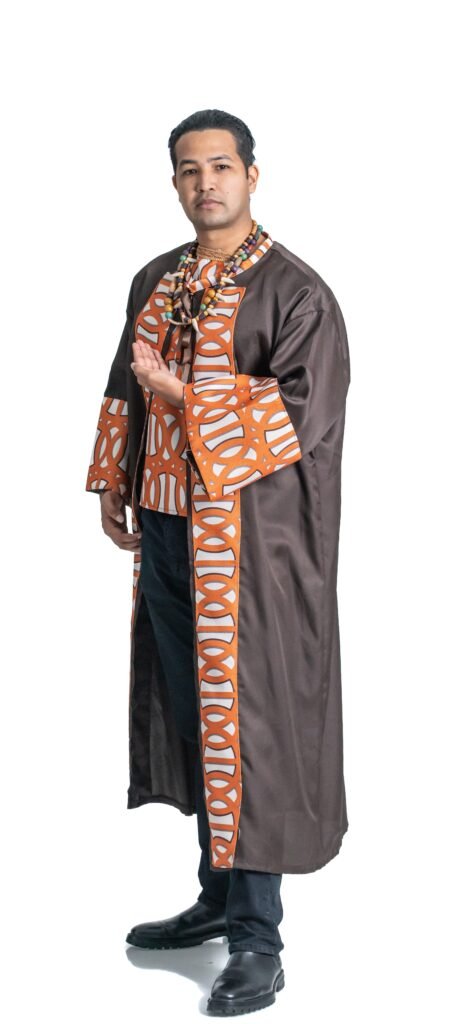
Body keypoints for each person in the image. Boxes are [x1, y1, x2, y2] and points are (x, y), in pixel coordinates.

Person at [85, 108, 351, 1016]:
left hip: (249, 548)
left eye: (222, 167)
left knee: (251, 722)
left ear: (251, 175)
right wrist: (114, 478)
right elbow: (122, 382)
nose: (207, 183)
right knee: (196, 714)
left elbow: (300, 418)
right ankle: (215, 897)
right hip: (166, 529)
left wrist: (184, 393)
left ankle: (256, 941)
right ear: (174, 182)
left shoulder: (296, 293)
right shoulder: (155, 279)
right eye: (190, 169)